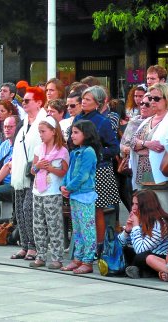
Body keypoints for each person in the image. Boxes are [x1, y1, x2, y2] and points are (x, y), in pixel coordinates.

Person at [68, 86, 120, 257]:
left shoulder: (103, 121)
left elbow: (114, 148)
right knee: (78, 210)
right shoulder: (77, 118)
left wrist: (94, 154)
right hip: (78, 169)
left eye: (88, 99)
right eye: (83, 98)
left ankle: (98, 247)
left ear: (98, 103)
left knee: (96, 209)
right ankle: (81, 249)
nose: (84, 101)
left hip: (99, 171)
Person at [10, 86, 47, 260]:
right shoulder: (24, 122)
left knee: (28, 208)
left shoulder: (45, 120)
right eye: (23, 100)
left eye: (27, 100)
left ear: (39, 102)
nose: (23, 103)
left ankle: (34, 246)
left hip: (36, 171)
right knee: (19, 208)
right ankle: (25, 245)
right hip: (20, 172)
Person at [60, 120, 101, 274]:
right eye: (72, 133)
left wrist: (68, 188)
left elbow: (82, 175)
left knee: (87, 229)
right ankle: (78, 257)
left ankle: (88, 260)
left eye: (76, 132)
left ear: (87, 134)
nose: (72, 136)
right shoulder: (74, 152)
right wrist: (63, 186)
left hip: (84, 195)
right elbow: (69, 173)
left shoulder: (88, 152)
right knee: (77, 229)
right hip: (74, 195)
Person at [29, 116, 69, 269]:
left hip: (52, 192)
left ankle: (57, 257)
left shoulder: (62, 151)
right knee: (38, 224)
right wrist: (38, 165)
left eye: (43, 131)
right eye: (39, 132)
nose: (41, 134)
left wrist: (51, 168)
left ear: (53, 132)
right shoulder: (38, 149)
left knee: (54, 224)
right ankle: (40, 255)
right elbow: (33, 170)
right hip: (38, 190)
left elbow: (64, 171)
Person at [130, 83, 168, 214]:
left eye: (156, 99)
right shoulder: (147, 120)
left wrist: (142, 145)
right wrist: (148, 144)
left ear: (167, 99)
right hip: (142, 175)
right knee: (145, 214)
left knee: (163, 211)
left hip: (161, 175)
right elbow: (132, 142)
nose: (152, 102)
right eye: (150, 98)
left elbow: (164, 145)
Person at [118, 190, 168, 279]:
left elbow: (140, 250)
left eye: (137, 204)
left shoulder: (160, 223)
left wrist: (135, 226)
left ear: (147, 206)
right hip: (146, 253)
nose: (133, 208)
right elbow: (119, 244)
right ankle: (141, 271)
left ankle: (143, 271)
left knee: (141, 257)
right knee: (124, 250)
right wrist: (127, 231)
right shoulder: (141, 219)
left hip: (162, 258)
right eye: (133, 204)